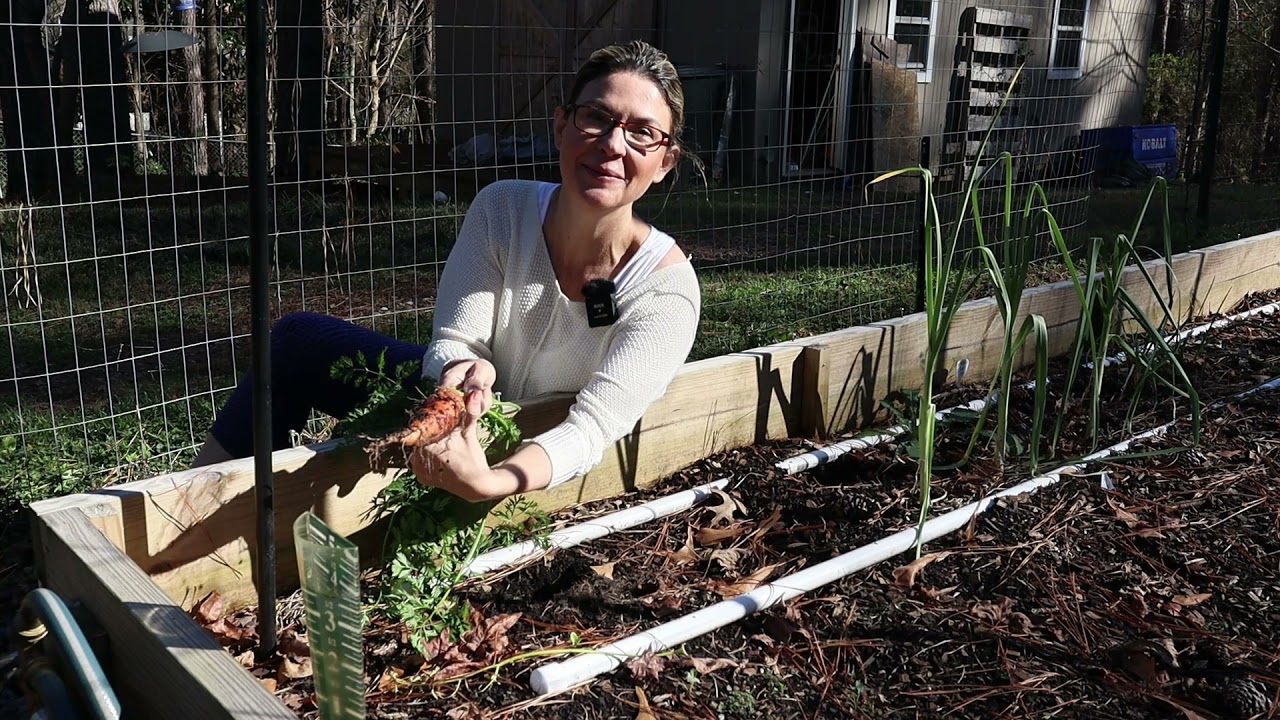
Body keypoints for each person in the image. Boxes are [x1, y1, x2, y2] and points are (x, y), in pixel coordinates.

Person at [192, 40, 702, 503]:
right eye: (596, 117)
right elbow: (457, 340)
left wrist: (491, 482)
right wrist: (462, 370)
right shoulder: (502, 210)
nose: (613, 144)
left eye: (642, 133)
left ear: (665, 161)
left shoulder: (666, 292)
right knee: (297, 340)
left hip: (537, 452)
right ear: (561, 125)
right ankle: (194, 505)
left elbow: (590, 429)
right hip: (460, 406)